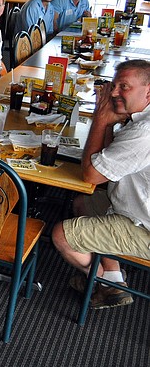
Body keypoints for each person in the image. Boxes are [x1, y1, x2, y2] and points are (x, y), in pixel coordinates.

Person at [52, 60, 150, 310]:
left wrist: (100, 119)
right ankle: (113, 278)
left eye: (124, 86)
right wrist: (109, 123)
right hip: (135, 205)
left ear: (148, 92)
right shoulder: (140, 118)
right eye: (113, 86)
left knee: (61, 235)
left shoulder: (144, 132)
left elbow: (92, 175)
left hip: (144, 226)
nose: (114, 93)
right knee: (82, 203)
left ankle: (103, 282)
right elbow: (108, 156)